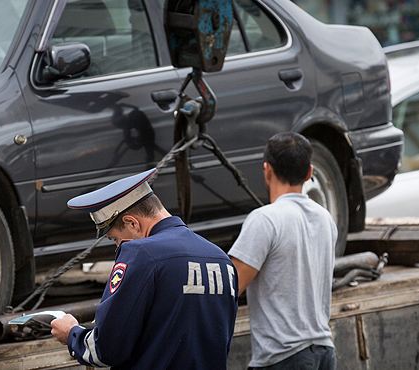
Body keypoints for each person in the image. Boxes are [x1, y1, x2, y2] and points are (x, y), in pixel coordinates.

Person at [50, 168, 238, 369]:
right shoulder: (220, 258)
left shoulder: (141, 253)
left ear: (132, 223)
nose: (116, 246)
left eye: (114, 238)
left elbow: (107, 349)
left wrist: (72, 334)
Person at [228, 132, 337, 370]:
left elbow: (230, 287)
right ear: (309, 172)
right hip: (324, 351)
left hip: (284, 357)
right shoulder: (325, 218)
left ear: (267, 170)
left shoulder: (265, 219)